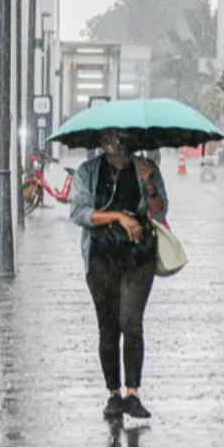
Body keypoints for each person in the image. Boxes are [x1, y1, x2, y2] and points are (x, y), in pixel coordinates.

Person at [70, 129, 169, 419]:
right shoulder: (88, 172)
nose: (119, 147)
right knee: (108, 325)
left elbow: (160, 211)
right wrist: (117, 216)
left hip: (138, 257)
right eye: (113, 141)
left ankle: (132, 393)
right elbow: (79, 212)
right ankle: (113, 393)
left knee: (131, 321)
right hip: (101, 258)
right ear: (103, 144)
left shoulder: (146, 169)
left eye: (125, 141)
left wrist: (149, 183)